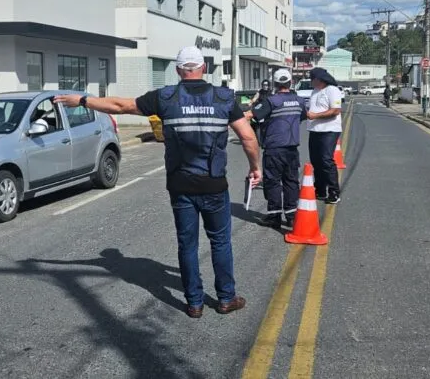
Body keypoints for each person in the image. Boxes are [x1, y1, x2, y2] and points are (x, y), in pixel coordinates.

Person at [54, 46, 261, 319]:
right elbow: (248, 138)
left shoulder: (165, 97)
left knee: (187, 244)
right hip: (213, 185)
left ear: (178, 70)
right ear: (204, 68)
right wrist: (255, 167)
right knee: (220, 242)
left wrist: (82, 100)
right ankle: (225, 298)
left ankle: (194, 303)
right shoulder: (223, 98)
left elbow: (119, 105)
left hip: (180, 185)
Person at [244, 69, 306, 228]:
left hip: (274, 148)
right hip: (292, 148)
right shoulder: (299, 101)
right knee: (291, 181)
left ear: (275, 84)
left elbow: (251, 115)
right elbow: (303, 116)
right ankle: (292, 216)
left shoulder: (271, 101)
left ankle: (274, 216)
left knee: (273, 182)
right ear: (290, 83)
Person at [306, 67, 343, 204]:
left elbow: (335, 110)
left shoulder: (332, 90)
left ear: (319, 79)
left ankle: (334, 192)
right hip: (315, 130)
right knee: (316, 161)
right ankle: (320, 190)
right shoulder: (315, 91)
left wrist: (315, 115)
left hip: (329, 130)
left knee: (326, 160)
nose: (311, 81)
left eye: (312, 79)